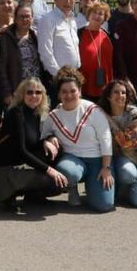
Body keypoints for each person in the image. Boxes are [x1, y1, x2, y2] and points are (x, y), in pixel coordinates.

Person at [0, 78, 65, 214]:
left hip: (19, 162)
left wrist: (46, 140)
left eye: (38, 92)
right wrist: (50, 171)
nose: (34, 96)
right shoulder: (16, 113)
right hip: (6, 169)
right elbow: (22, 151)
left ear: (43, 95)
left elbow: (32, 142)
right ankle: (7, 194)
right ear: (22, 94)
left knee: (57, 151)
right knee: (53, 181)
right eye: (29, 92)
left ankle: (32, 195)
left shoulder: (35, 112)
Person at [46, 67, 115, 212]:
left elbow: (106, 138)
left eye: (73, 91)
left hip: (98, 161)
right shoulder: (53, 116)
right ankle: (72, 188)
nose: (69, 95)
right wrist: (50, 138)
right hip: (73, 160)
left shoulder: (92, 109)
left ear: (80, 91)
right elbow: (43, 134)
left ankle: (97, 187)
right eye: (64, 92)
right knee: (67, 171)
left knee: (104, 205)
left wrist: (106, 167)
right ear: (58, 94)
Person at [102, 79, 137, 208]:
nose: (120, 96)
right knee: (128, 174)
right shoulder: (101, 113)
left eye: (123, 93)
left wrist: (107, 118)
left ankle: (129, 189)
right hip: (122, 158)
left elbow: (126, 141)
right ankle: (124, 184)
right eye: (116, 92)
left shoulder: (135, 114)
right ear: (108, 96)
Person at [0, 3, 45, 107]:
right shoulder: (5, 38)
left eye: (27, 16)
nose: (24, 19)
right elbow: (1, 68)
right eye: (21, 16)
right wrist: (7, 93)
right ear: (15, 18)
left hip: (35, 92)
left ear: (32, 18)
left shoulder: (36, 37)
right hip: (16, 92)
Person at [37, 0, 81, 96]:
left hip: (73, 76)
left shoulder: (73, 20)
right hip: (56, 79)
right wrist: (58, 75)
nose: (68, 1)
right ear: (55, 0)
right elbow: (45, 51)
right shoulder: (48, 19)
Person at [76, 2, 114, 103]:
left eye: (101, 14)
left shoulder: (107, 35)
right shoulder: (79, 33)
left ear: (105, 18)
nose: (97, 16)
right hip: (85, 84)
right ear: (88, 15)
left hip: (104, 84)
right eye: (94, 12)